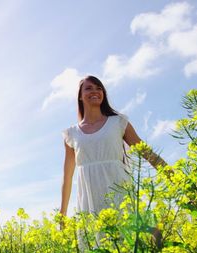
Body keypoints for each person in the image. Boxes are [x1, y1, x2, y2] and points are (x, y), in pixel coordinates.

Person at [59, 75, 166, 249]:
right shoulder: (71, 134)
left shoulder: (118, 122)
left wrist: (176, 178)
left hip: (119, 190)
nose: (95, 91)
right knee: (96, 244)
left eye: (98, 88)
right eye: (89, 88)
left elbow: (146, 152)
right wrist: (62, 215)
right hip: (89, 196)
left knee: (130, 240)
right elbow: (67, 177)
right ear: (80, 96)